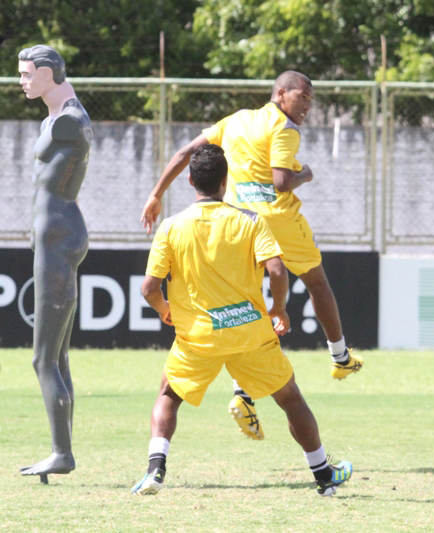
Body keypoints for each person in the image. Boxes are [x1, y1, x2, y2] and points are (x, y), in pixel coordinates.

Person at [140, 70, 362, 441]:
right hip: (275, 220)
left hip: (235, 222)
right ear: (281, 93)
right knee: (315, 281)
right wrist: (305, 173)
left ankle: (243, 393)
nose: (307, 104)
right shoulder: (286, 128)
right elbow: (280, 181)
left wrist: (156, 193)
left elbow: (186, 152)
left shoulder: (237, 120)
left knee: (241, 303)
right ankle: (339, 356)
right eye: (303, 96)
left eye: (310, 98)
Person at [132, 144, 352, 496]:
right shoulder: (251, 221)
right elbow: (278, 270)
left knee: (169, 394)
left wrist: (164, 310)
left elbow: (148, 289)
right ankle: (324, 475)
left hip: (197, 337)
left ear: (189, 180)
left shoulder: (171, 227)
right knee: (290, 398)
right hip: (250, 334)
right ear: (225, 181)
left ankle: (155, 471)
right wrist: (278, 308)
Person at [18, 45, 92, 481]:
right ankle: (60, 451)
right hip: (58, 234)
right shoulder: (61, 112)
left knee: (43, 358)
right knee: (58, 357)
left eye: (28, 74)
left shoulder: (67, 121)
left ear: (48, 73)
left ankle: (61, 454)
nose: (21, 80)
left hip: (58, 238)